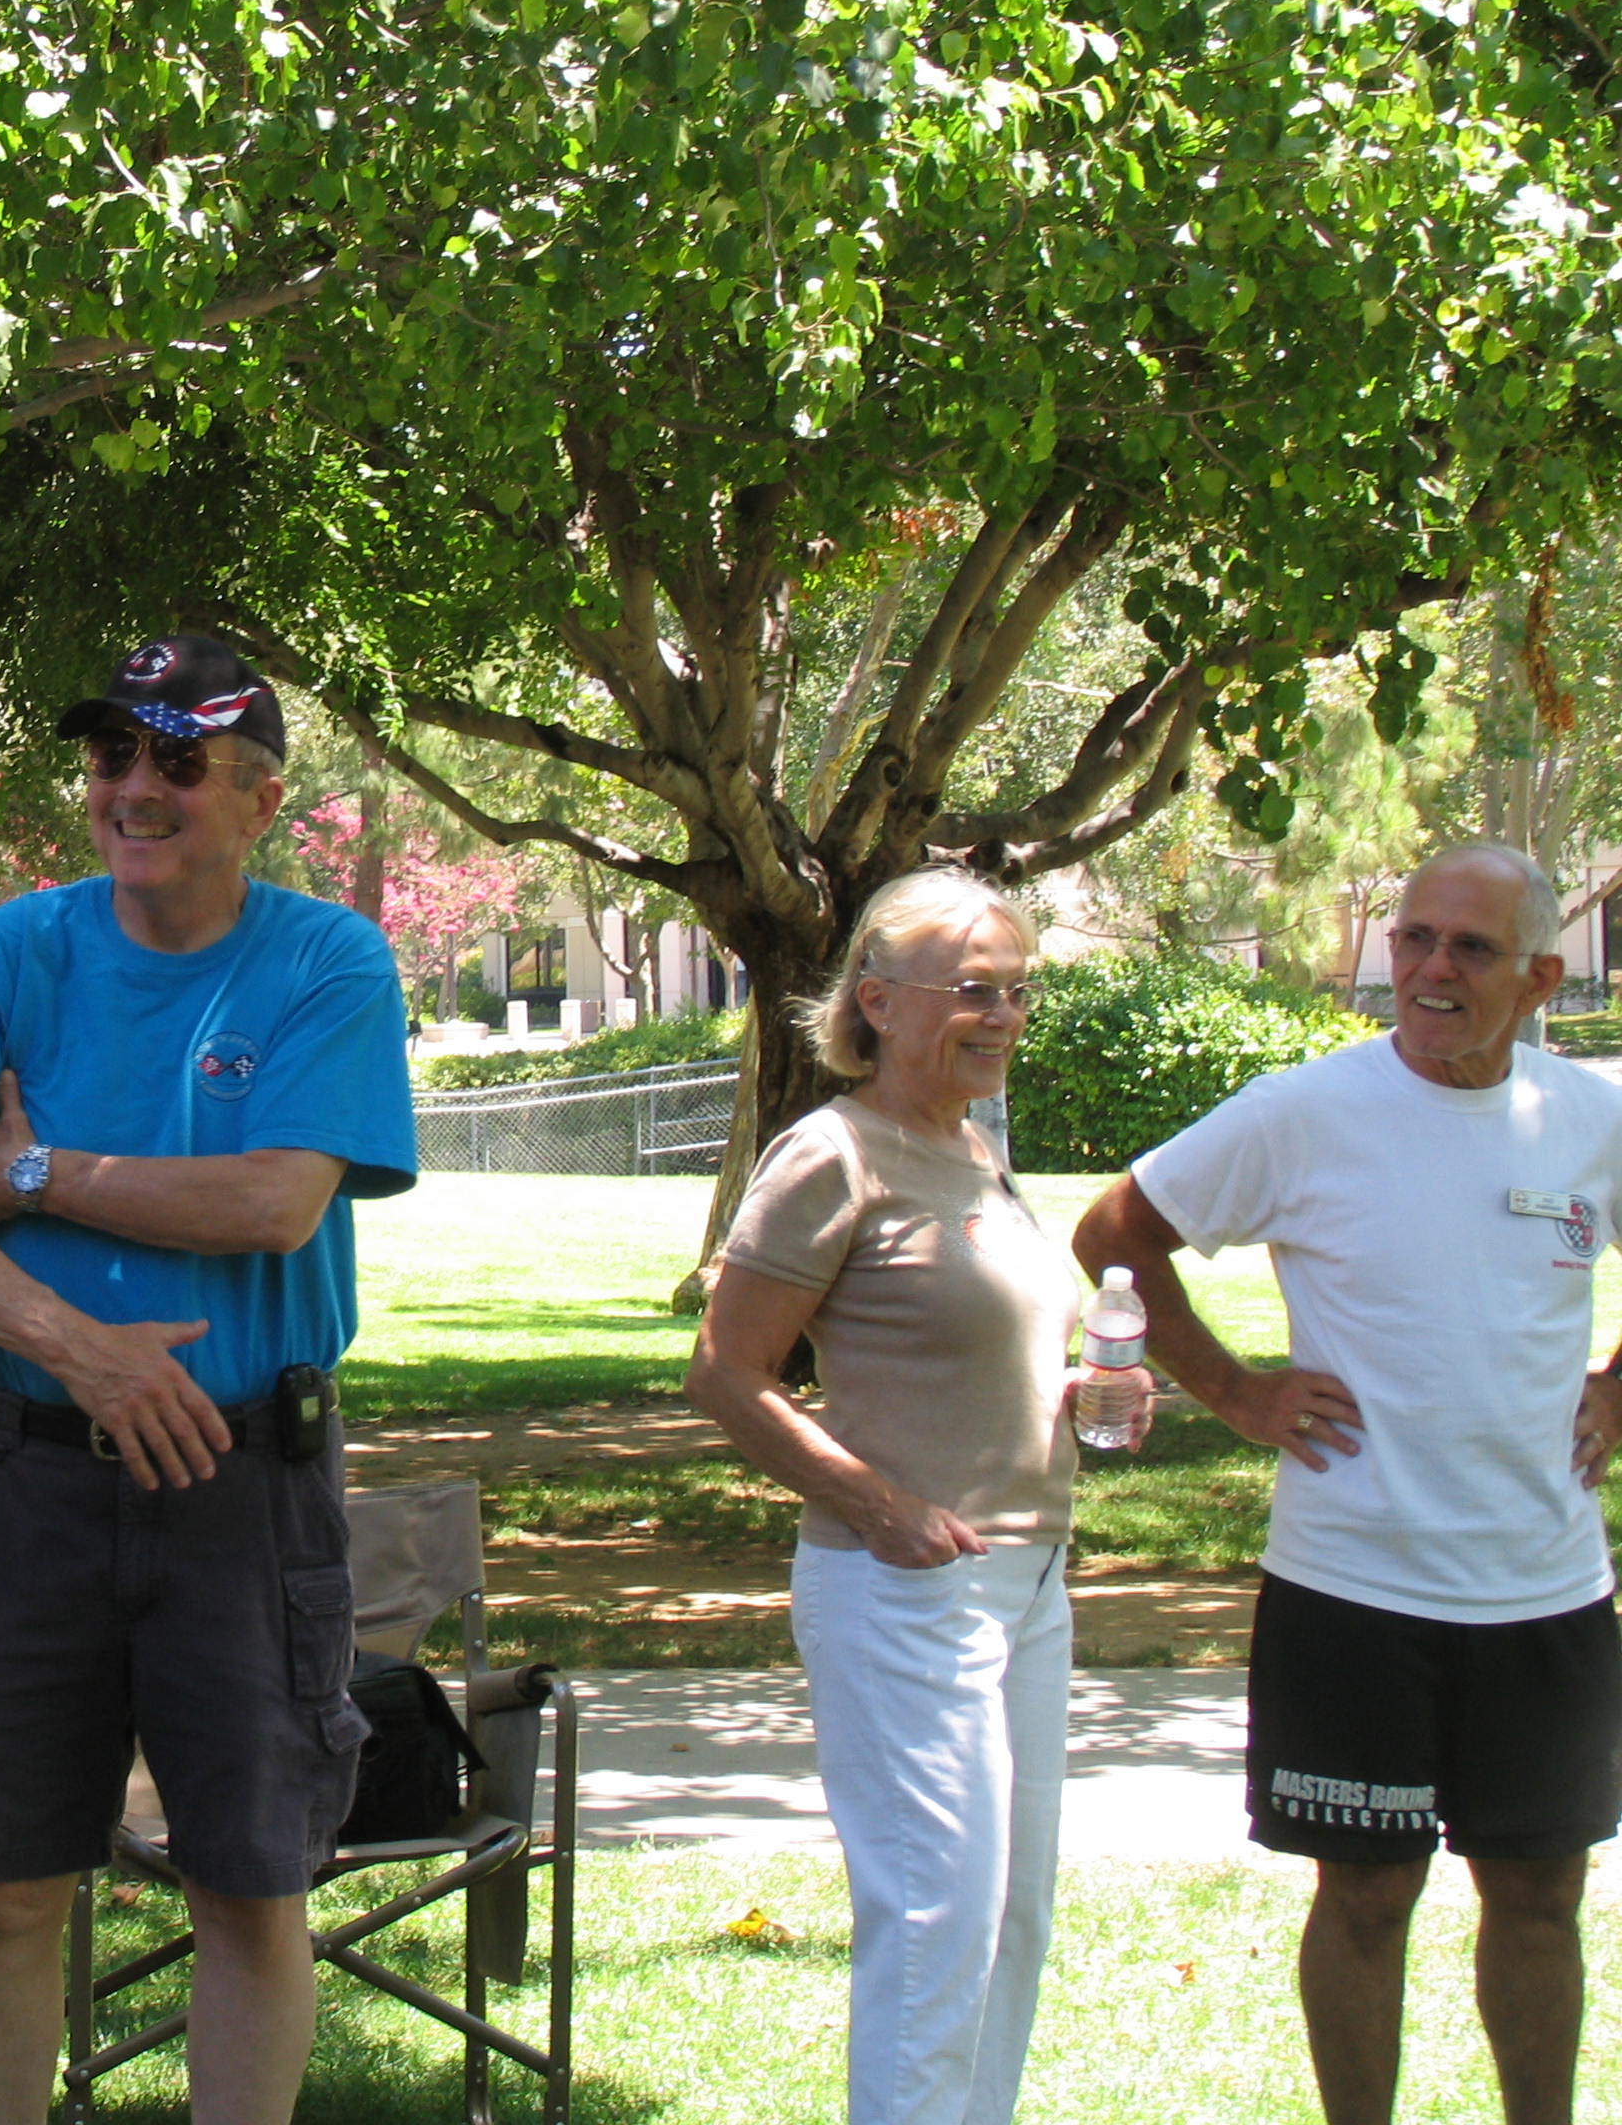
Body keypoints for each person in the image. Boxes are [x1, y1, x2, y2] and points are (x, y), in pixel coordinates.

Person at [0, 633, 416, 2125]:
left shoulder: (327, 961)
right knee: (11, 1892)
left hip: (246, 1487)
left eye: (177, 759)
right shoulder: (10, 952)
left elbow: (275, 1204)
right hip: (32, 1478)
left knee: (249, 1892)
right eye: (112, 755)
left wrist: (25, 1170)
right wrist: (76, 1348)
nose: (134, 789)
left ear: (262, 797)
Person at [1072, 842, 1622, 2125]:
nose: (1430, 968)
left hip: (1544, 1589)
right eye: (1415, 938)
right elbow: (1114, 1234)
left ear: (1541, 977)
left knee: (1539, 1893)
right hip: (1352, 1586)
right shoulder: (1301, 1111)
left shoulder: (1589, 1116)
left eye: (1470, 949)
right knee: (1367, 1897)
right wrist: (1235, 1389)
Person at [686, 866, 1132, 2125]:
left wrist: (1089, 1400)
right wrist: (878, 1505)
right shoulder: (831, 1153)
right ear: (876, 1001)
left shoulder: (976, 1149)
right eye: (969, 992)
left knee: (1008, 1914)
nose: (998, 1016)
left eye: (1015, 992)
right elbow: (724, 1373)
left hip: (1030, 1578)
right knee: (938, 1916)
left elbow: (986, 1354)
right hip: (904, 1588)